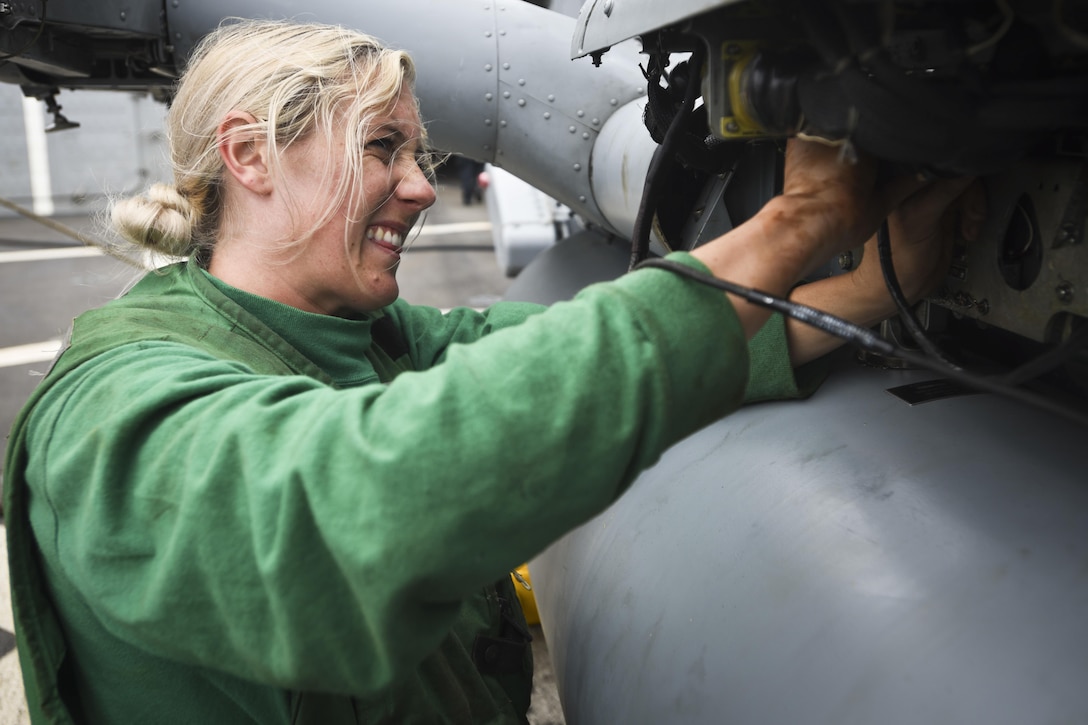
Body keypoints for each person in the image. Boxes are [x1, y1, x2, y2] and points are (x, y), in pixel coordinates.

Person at [3, 18, 979, 725]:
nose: (424, 185)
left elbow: (550, 362)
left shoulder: (370, 338)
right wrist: (793, 226)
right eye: (383, 146)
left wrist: (864, 292)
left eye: (419, 150)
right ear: (251, 156)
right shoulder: (111, 402)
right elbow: (337, 512)